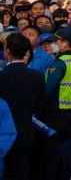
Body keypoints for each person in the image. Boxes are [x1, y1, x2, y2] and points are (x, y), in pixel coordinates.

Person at [0, 32, 46, 179]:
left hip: (2, 137)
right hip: (26, 135)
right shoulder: (37, 77)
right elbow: (40, 107)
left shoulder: (2, 77)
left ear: (8, 51)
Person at [43, 27, 71, 142]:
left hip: (57, 111)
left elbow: (47, 89)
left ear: (65, 43)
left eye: (56, 42)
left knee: (53, 147)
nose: (52, 45)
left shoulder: (60, 63)